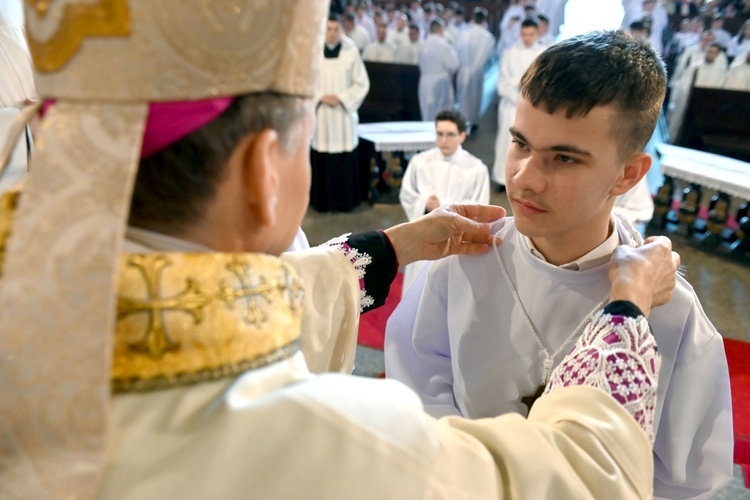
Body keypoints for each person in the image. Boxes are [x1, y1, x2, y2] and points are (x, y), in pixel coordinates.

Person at [0, 2, 687, 498]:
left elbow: (199, 314)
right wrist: (625, 312)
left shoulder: (37, 296)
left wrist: (387, 249)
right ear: (262, 173)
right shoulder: (324, 446)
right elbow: (579, 477)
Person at [386, 30, 733, 499]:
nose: (524, 179)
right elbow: (417, 388)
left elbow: (685, 480)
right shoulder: (461, 261)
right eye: (520, 144)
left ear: (628, 175)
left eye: (564, 158)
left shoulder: (668, 309)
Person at [399, 109, 490, 295]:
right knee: (417, 291)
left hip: (454, 241)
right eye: (439, 134)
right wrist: (424, 202)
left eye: (450, 135)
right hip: (424, 234)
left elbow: (480, 206)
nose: (443, 140)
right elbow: (407, 194)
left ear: (463, 136)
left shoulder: (476, 169)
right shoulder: (420, 161)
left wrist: (444, 205)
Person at [310, 14, 370, 213]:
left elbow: (362, 83)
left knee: (343, 156)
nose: (332, 33)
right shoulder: (313, 51)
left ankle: (346, 202)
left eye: (336, 29)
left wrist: (342, 98)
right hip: (322, 115)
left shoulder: (350, 51)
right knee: (322, 154)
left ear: (341, 30)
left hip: (342, 115)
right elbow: (305, 82)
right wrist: (320, 97)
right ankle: (323, 203)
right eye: (328, 28)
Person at [492, 17, 544, 191]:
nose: (527, 38)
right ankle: (502, 177)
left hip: (534, 107)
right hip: (510, 105)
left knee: (530, 144)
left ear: (537, 33)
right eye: (524, 34)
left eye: (531, 34)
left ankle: (524, 178)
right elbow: (503, 82)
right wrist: (518, 84)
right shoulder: (510, 52)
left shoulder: (543, 53)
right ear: (520, 33)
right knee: (506, 142)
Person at [668, 42, 728, 141]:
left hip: (705, 105)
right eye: (709, 51)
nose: (710, 54)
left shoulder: (720, 71)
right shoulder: (695, 67)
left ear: (717, 55)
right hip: (688, 101)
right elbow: (684, 84)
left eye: (713, 52)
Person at [455, 7, 495, 130]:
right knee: (475, 97)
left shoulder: (463, 33)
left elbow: (457, 50)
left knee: (463, 97)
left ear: (472, 17)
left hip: (464, 69)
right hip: (477, 71)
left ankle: (462, 121)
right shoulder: (488, 37)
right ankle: (472, 121)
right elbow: (489, 57)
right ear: (484, 20)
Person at [417, 18, 459, 121]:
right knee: (440, 113)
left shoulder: (422, 44)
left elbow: (419, 64)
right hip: (440, 82)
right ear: (441, 29)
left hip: (424, 81)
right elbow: (454, 65)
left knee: (426, 112)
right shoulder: (443, 44)